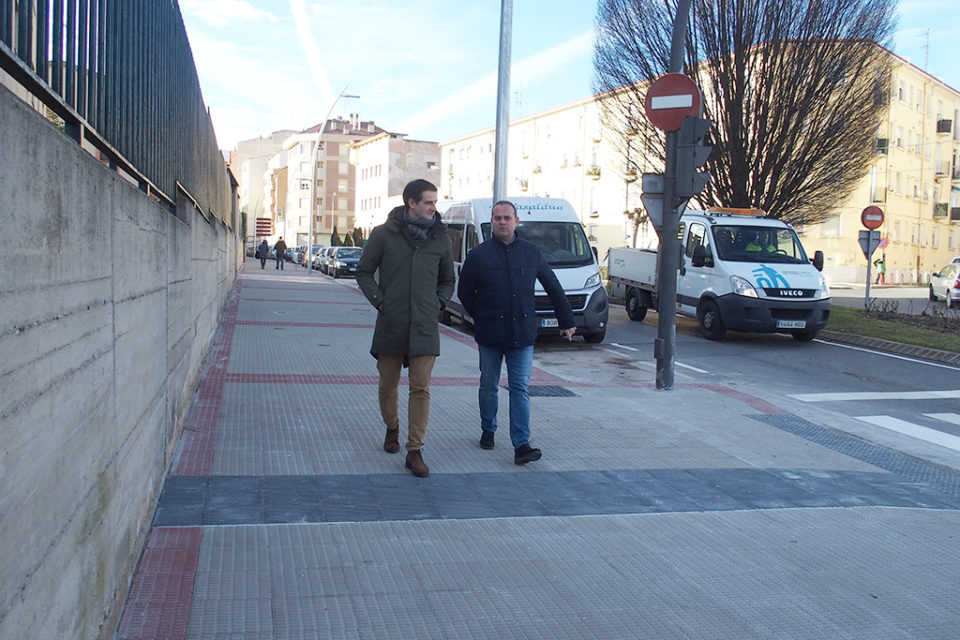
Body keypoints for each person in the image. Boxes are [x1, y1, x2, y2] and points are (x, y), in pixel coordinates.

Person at [457, 200, 576, 465]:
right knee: (489, 384)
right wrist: (482, 316)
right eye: (497, 218)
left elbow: (553, 286)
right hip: (490, 335)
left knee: (519, 388)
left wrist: (566, 320)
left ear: (516, 221)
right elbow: (465, 292)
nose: (502, 222)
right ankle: (488, 428)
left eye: (507, 218)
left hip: (522, 334)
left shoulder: (531, 253)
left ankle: (521, 444)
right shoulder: (479, 255)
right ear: (491, 222)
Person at [356, 179, 455, 478]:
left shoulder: (440, 237)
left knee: (420, 388)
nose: (434, 208)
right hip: (392, 323)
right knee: (388, 386)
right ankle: (392, 427)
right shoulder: (383, 234)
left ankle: (415, 451)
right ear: (411, 202)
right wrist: (381, 302)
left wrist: (438, 303)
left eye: (435, 202)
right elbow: (363, 272)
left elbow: (447, 280)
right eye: (429, 202)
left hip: (425, 326)